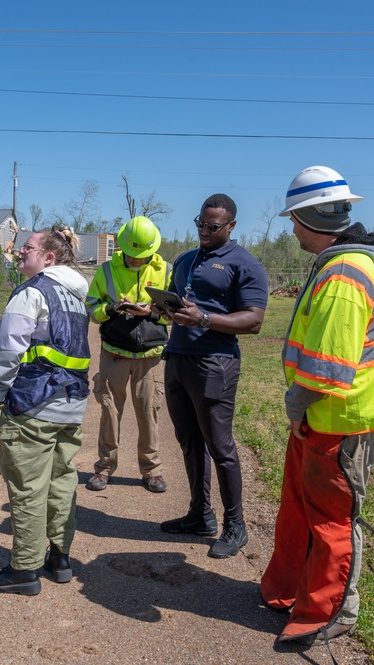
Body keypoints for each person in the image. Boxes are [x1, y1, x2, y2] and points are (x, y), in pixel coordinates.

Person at [260, 166, 374, 647]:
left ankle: (330, 613)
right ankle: (293, 593)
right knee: (302, 511)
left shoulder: (343, 276)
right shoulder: (340, 265)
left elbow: (328, 370)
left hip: (342, 422)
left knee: (333, 521)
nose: (293, 229)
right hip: (327, 420)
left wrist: (296, 408)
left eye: (295, 219)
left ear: (310, 216)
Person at [154, 194, 268, 559]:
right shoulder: (186, 259)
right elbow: (177, 305)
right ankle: (200, 515)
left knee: (220, 446)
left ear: (231, 226)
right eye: (200, 223)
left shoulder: (245, 265)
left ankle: (236, 525)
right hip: (178, 358)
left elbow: (253, 320)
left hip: (215, 363)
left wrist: (204, 319)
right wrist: (159, 309)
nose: (204, 230)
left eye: (213, 226)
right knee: (188, 441)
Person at [0, 227, 90, 596]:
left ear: (50, 257)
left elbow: (9, 351)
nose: (19, 251)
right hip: (70, 404)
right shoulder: (76, 297)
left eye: (28, 248)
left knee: (28, 487)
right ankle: (59, 559)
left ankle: (24, 570)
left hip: (31, 403)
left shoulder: (32, 293)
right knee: (61, 482)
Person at [83, 216, 171, 494]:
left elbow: (175, 314)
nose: (136, 260)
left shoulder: (167, 271)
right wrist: (111, 309)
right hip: (114, 354)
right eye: (131, 255)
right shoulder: (107, 270)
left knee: (149, 413)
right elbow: (91, 308)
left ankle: (152, 470)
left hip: (150, 357)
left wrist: (151, 313)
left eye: (141, 255)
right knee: (110, 412)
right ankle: (105, 467)